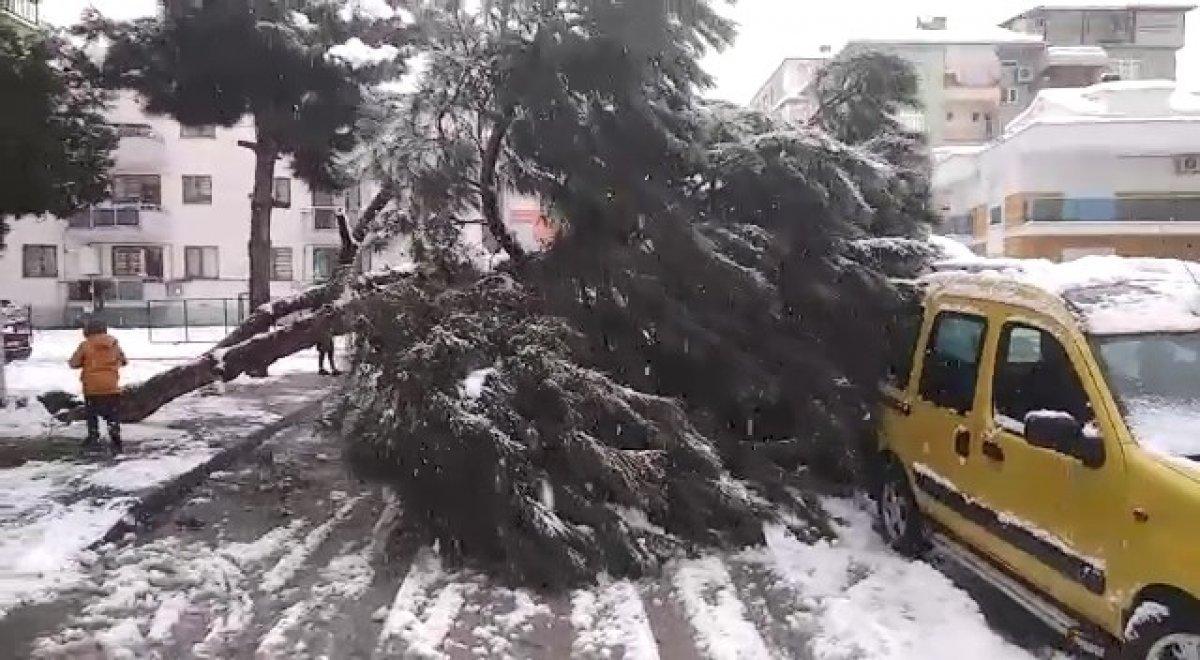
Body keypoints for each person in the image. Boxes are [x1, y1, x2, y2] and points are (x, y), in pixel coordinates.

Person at [68, 319, 127, 451]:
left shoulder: (85, 345)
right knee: (113, 414)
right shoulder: (113, 344)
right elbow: (124, 360)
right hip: (111, 387)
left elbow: (73, 363)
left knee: (92, 413)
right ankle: (114, 434)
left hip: (92, 388)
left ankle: (93, 435)